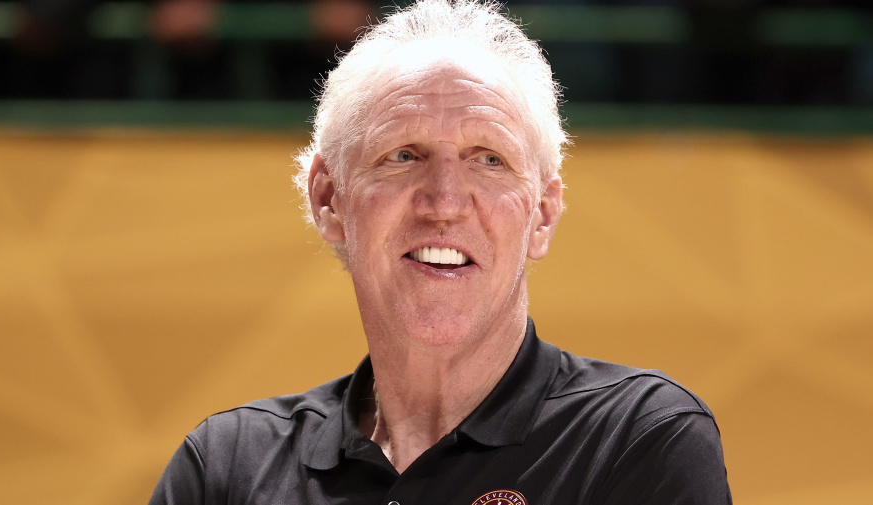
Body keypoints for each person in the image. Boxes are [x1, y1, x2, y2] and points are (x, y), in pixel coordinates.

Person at [149, 1, 732, 503]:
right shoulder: (225, 468)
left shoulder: (638, 439)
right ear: (329, 200)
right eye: (403, 155)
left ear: (542, 215)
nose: (445, 201)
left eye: (489, 159)